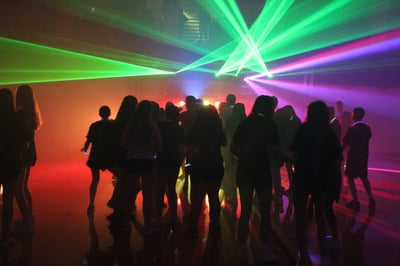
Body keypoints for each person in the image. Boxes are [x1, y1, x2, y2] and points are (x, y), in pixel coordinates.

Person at [290, 100, 342, 266]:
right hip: (321, 179)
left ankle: (303, 256)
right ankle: (324, 255)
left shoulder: (304, 129)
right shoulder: (328, 131)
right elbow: (337, 158)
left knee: (300, 219)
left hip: (302, 177)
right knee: (320, 217)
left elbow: (295, 153)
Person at [230, 95, 279, 263]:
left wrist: (243, 158)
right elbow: (274, 149)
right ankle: (265, 249)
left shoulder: (245, 123)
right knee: (265, 213)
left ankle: (242, 248)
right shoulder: (270, 124)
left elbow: (233, 148)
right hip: (262, 171)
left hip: (244, 170)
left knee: (245, 211)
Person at [120, 100, 162, 234]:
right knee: (148, 195)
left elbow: (123, 143)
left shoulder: (130, 126)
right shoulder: (152, 127)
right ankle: (148, 224)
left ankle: (125, 223)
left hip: (132, 161)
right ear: (149, 111)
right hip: (148, 161)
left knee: (129, 193)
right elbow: (158, 146)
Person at [184, 104, 226, 235]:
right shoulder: (218, 129)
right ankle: (215, 224)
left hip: (199, 163)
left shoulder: (195, 129)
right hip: (215, 163)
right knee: (214, 197)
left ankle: (193, 225)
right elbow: (224, 143)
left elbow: (188, 146)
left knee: (197, 197)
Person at [0, 88, 33, 248]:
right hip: (11, 164)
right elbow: (27, 141)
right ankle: (4, 237)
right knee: (8, 200)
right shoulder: (17, 119)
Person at [14, 84, 42, 234]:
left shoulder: (20, 114)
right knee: (24, 187)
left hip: (22, 153)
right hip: (30, 152)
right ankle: (29, 217)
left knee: (18, 189)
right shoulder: (32, 113)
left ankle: (26, 221)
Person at [106, 95, 137, 225]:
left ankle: (118, 210)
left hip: (118, 157)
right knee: (129, 184)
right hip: (129, 157)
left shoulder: (117, 123)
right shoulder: (133, 123)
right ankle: (123, 210)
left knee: (122, 183)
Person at [154, 104, 185, 224]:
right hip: (173, 159)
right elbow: (181, 147)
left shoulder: (160, 126)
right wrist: (180, 161)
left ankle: (157, 217)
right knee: (171, 188)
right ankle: (173, 214)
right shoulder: (178, 129)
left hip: (161, 158)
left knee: (159, 188)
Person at [81, 105, 114, 214]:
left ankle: (91, 203)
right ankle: (118, 200)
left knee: (95, 180)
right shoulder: (112, 126)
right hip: (108, 156)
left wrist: (85, 149)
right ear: (109, 113)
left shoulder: (94, 125)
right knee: (119, 177)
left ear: (99, 113)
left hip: (95, 155)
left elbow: (88, 141)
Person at [343, 107, 375, 210]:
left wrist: (338, 152)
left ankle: (355, 200)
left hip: (353, 156)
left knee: (350, 178)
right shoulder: (367, 128)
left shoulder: (352, 128)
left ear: (354, 115)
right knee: (364, 177)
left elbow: (346, 142)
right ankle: (371, 198)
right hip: (363, 156)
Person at [220, 102, 246, 216]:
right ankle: (240, 194)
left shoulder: (230, 122)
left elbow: (226, 136)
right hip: (242, 152)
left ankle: (231, 193)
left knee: (230, 172)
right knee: (239, 172)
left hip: (229, 150)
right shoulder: (245, 122)